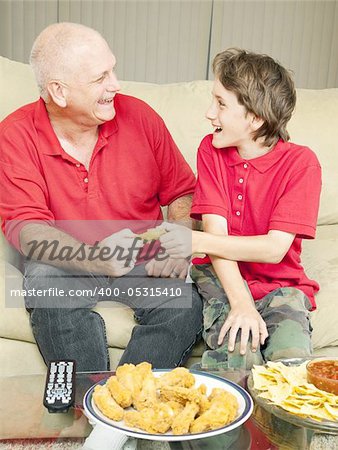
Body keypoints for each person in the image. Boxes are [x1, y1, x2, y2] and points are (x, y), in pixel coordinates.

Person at [0, 22, 203, 371]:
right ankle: (89, 399)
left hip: (142, 254)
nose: (116, 85)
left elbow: (183, 191)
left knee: (185, 305)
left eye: (112, 69)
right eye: (100, 78)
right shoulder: (15, 135)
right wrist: (97, 257)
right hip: (66, 260)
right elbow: (28, 229)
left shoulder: (140, 117)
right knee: (46, 285)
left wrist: (179, 239)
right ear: (59, 92)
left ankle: (130, 403)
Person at [160, 48, 322, 370]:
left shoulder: (302, 164)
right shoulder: (211, 150)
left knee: (290, 366)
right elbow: (216, 232)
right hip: (221, 278)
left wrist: (197, 242)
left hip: (282, 285)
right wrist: (241, 303)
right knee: (236, 360)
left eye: (221, 104)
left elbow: (274, 249)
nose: (210, 113)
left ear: (255, 118)